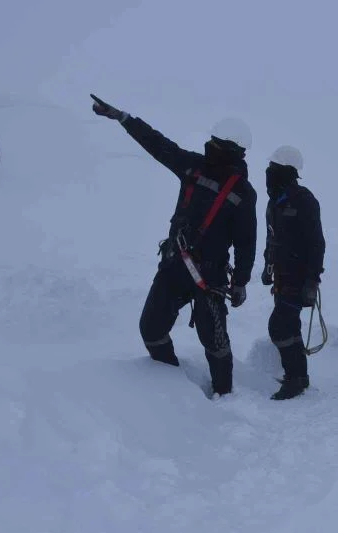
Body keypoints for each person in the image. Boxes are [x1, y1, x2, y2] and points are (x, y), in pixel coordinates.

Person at [90, 94, 257, 397]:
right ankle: (170, 388)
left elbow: (246, 242)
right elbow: (158, 145)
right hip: (174, 265)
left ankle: (224, 395)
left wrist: (240, 282)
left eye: (218, 144)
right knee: (151, 328)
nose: (212, 146)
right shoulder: (193, 166)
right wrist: (123, 118)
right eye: (212, 141)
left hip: (210, 277)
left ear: (235, 151)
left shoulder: (243, 192)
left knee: (214, 340)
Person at [261, 145, 325, 400]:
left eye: (274, 168)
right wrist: (267, 266)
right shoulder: (273, 203)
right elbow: (271, 238)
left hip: (298, 277)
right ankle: (299, 375)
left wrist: (312, 280)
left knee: (279, 327)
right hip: (281, 276)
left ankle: (295, 378)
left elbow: (317, 243)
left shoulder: (304, 200)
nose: (269, 173)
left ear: (287, 172)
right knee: (289, 326)